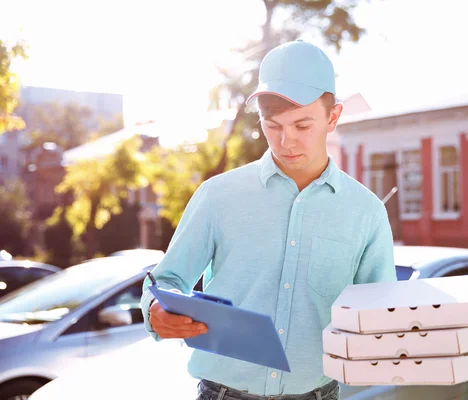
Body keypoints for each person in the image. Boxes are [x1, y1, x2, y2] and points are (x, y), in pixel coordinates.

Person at [141, 39, 397, 400]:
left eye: (302, 125)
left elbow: (381, 316)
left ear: (333, 117)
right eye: (272, 125)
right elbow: (166, 281)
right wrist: (156, 310)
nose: (285, 141)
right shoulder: (218, 196)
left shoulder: (366, 212)